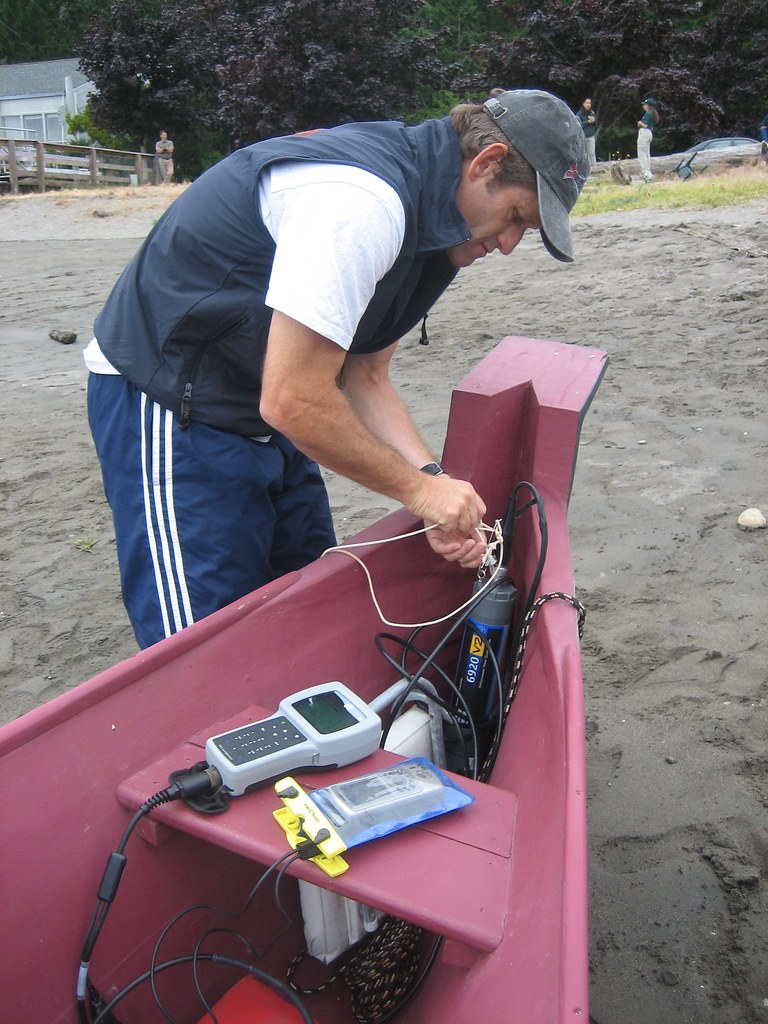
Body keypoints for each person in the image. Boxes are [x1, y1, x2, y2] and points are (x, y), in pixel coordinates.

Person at [84, 89, 589, 649]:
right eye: (518, 216)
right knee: (204, 648)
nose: (511, 243)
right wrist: (420, 497)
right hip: (172, 400)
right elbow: (294, 399)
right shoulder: (361, 205)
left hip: (266, 406)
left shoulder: (448, 226)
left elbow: (365, 375)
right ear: (486, 162)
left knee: (300, 604)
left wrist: (432, 482)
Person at [636, 98, 658, 182]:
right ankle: (648, 171)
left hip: (644, 133)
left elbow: (644, 125)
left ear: (648, 106)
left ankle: (645, 172)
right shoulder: (653, 113)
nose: (643, 106)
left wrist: (639, 122)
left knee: (641, 153)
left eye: (644, 104)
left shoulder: (648, 114)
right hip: (649, 133)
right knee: (647, 153)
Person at [576, 97, 598, 167]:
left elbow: (596, 124)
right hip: (583, 136)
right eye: (587, 103)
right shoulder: (579, 114)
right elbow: (578, 125)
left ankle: (594, 167)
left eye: (589, 103)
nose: (588, 105)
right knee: (583, 153)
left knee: (591, 153)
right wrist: (587, 122)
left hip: (591, 136)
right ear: (583, 104)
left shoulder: (592, 113)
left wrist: (594, 122)